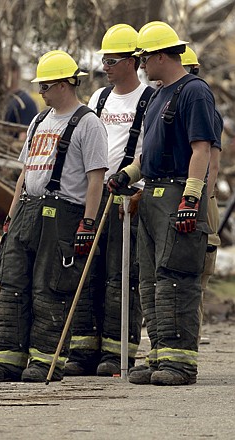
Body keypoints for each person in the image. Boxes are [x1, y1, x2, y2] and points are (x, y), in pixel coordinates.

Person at [0, 50, 108, 383]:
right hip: (28, 209)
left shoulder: (88, 123)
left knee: (49, 287)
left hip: (63, 213)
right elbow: (26, 171)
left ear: (65, 84)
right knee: (12, 283)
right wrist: (12, 213)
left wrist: (88, 222)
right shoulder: (38, 120)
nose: (41, 92)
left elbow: (96, 178)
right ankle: (7, 359)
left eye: (46, 85)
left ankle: (45, 360)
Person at [108, 21, 218, 386]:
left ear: (159, 56)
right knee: (151, 281)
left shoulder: (194, 92)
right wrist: (128, 174)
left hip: (176, 195)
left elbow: (201, 149)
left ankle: (180, 363)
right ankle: (159, 355)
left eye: (142, 58)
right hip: (152, 193)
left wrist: (191, 197)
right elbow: (149, 154)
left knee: (176, 279)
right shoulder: (158, 96)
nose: (139, 65)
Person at [64, 24, 150, 377]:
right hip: (96, 196)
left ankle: (118, 354)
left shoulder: (149, 98)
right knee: (88, 273)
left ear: (132, 62)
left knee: (121, 277)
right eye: (104, 60)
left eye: (112, 60)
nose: (106, 66)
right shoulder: (99, 99)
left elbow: (151, 150)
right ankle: (83, 349)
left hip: (128, 200)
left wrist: (139, 190)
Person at [180, 47, 224, 337]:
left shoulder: (201, 106)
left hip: (199, 199)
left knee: (195, 277)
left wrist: (195, 199)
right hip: (190, 196)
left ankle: (186, 348)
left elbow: (213, 165)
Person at [5, 58, 39, 140]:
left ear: (16, 73)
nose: (3, 77)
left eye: (6, 73)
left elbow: (24, 138)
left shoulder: (25, 102)